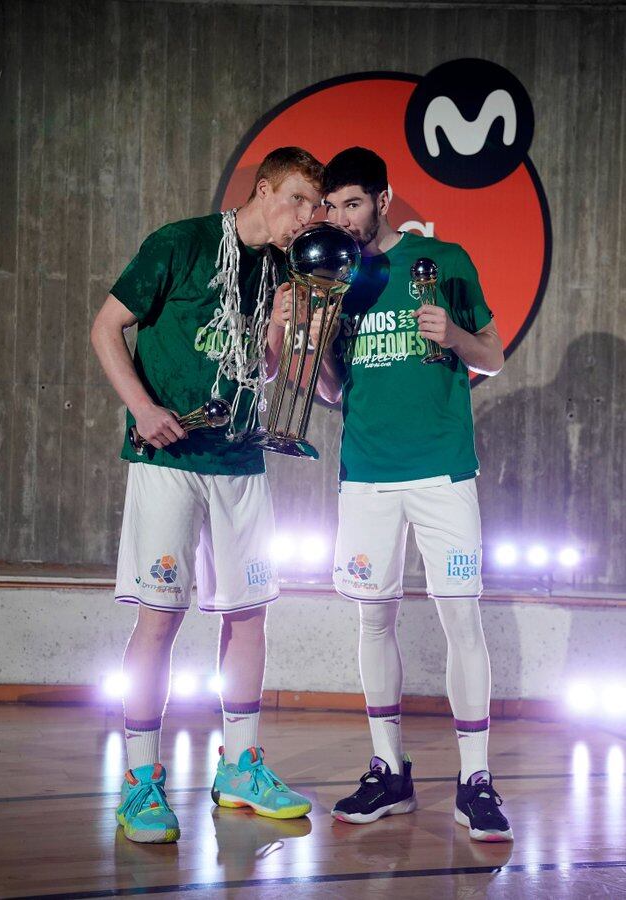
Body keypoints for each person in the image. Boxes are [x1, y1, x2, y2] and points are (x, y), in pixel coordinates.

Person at [91, 147, 322, 843]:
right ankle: (139, 779)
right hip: (169, 458)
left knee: (249, 613)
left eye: (315, 206)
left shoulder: (285, 270)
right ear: (262, 189)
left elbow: (266, 366)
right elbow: (106, 327)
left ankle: (240, 767)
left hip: (240, 459)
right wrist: (139, 406)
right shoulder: (181, 243)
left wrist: (281, 323)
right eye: (297, 202)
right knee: (160, 619)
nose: (305, 219)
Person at [312, 147, 513, 841]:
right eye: (331, 206)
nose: (340, 217)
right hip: (366, 473)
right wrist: (311, 349)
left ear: (385, 199)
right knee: (372, 619)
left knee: (462, 617)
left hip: (441, 470)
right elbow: (335, 391)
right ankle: (389, 772)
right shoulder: (333, 277)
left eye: (353, 204)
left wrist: (454, 335)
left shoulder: (445, 261)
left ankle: (475, 779)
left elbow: (493, 355)